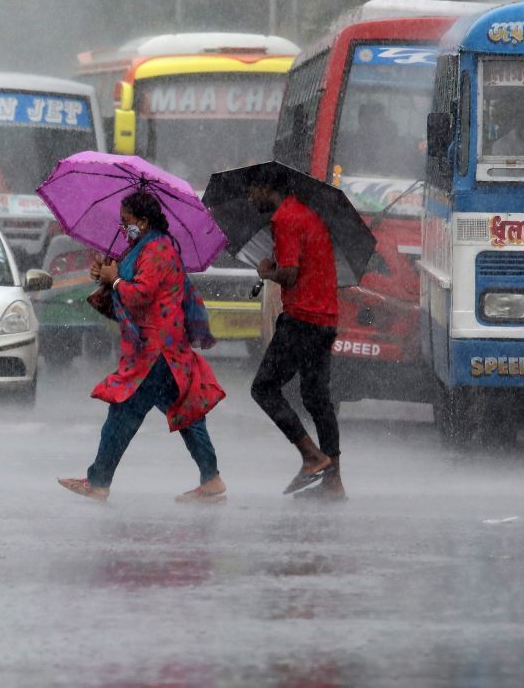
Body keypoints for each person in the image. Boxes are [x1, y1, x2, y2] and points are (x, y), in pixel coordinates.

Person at [58, 190, 227, 503]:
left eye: (127, 222)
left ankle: (98, 481)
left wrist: (116, 281)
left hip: (155, 353)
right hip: (166, 350)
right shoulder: (145, 247)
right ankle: (212, 479)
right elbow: (130, 281)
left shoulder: (157, 251)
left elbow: (140, 294)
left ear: (144, 221)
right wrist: (106, 275)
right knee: (187, 414)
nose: (124, 228)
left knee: (123, 413)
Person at [248, 168, 345, 501]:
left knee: (263, 388)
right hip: (325, 318)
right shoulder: (306, 215)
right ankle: (334, 482)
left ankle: (311, 456)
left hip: (302, 319)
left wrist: (267, 272)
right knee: (317, 398)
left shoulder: (286, 219)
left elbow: (289, 274)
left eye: (253, 191)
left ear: (267, 188)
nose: (251, 198)